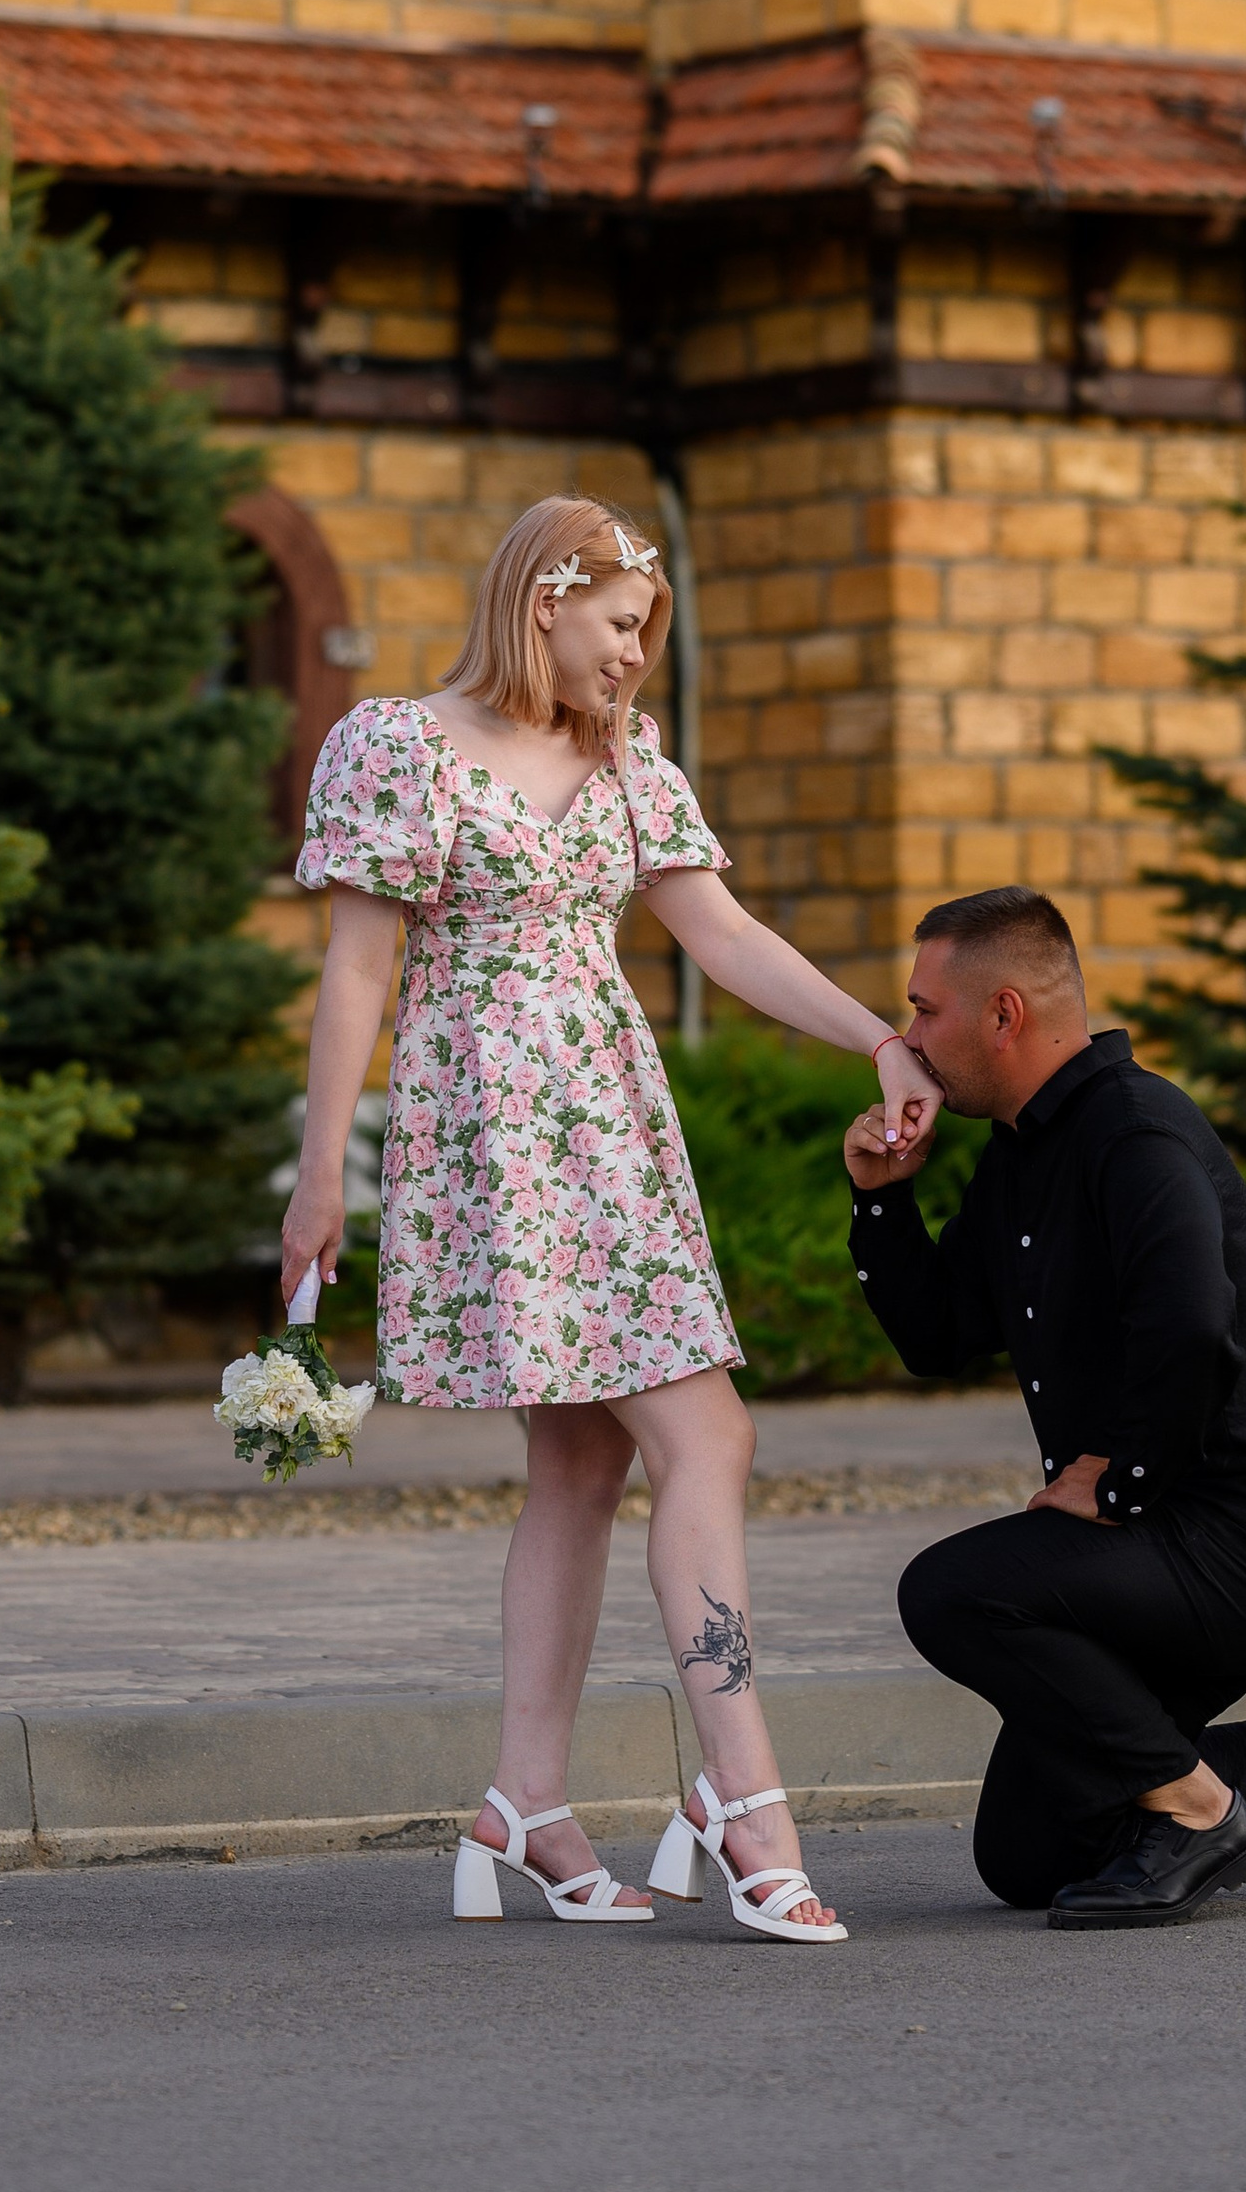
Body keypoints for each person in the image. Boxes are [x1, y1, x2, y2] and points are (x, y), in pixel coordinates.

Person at [279, 494, 939, 1947]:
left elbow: (723, 932)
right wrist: (324, 1173)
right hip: (497, 1143)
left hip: (614, 1134)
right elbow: (354, 976)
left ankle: (524, 1805)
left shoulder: (632, 763)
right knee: (708, 1433)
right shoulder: (397, 744)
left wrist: (879, 1042)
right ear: (542, 603)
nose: (638, 657)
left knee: (584, 1461)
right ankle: (744, 1800)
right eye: (622, 626)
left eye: (649, 634)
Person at [846, 887, 1246, 1928]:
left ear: (1005, 1013)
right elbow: (939, 1337)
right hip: (1149, 1544)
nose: (908, 1037)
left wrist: (1119, 1480)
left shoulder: (1137, 1132)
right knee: (1029, 1852)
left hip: (1240, 1544)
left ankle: (1203, 1813)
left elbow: (1191, 1325)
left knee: (949, 1588)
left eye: (925, 1009)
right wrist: (884, 1197)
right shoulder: (1019, 1153)